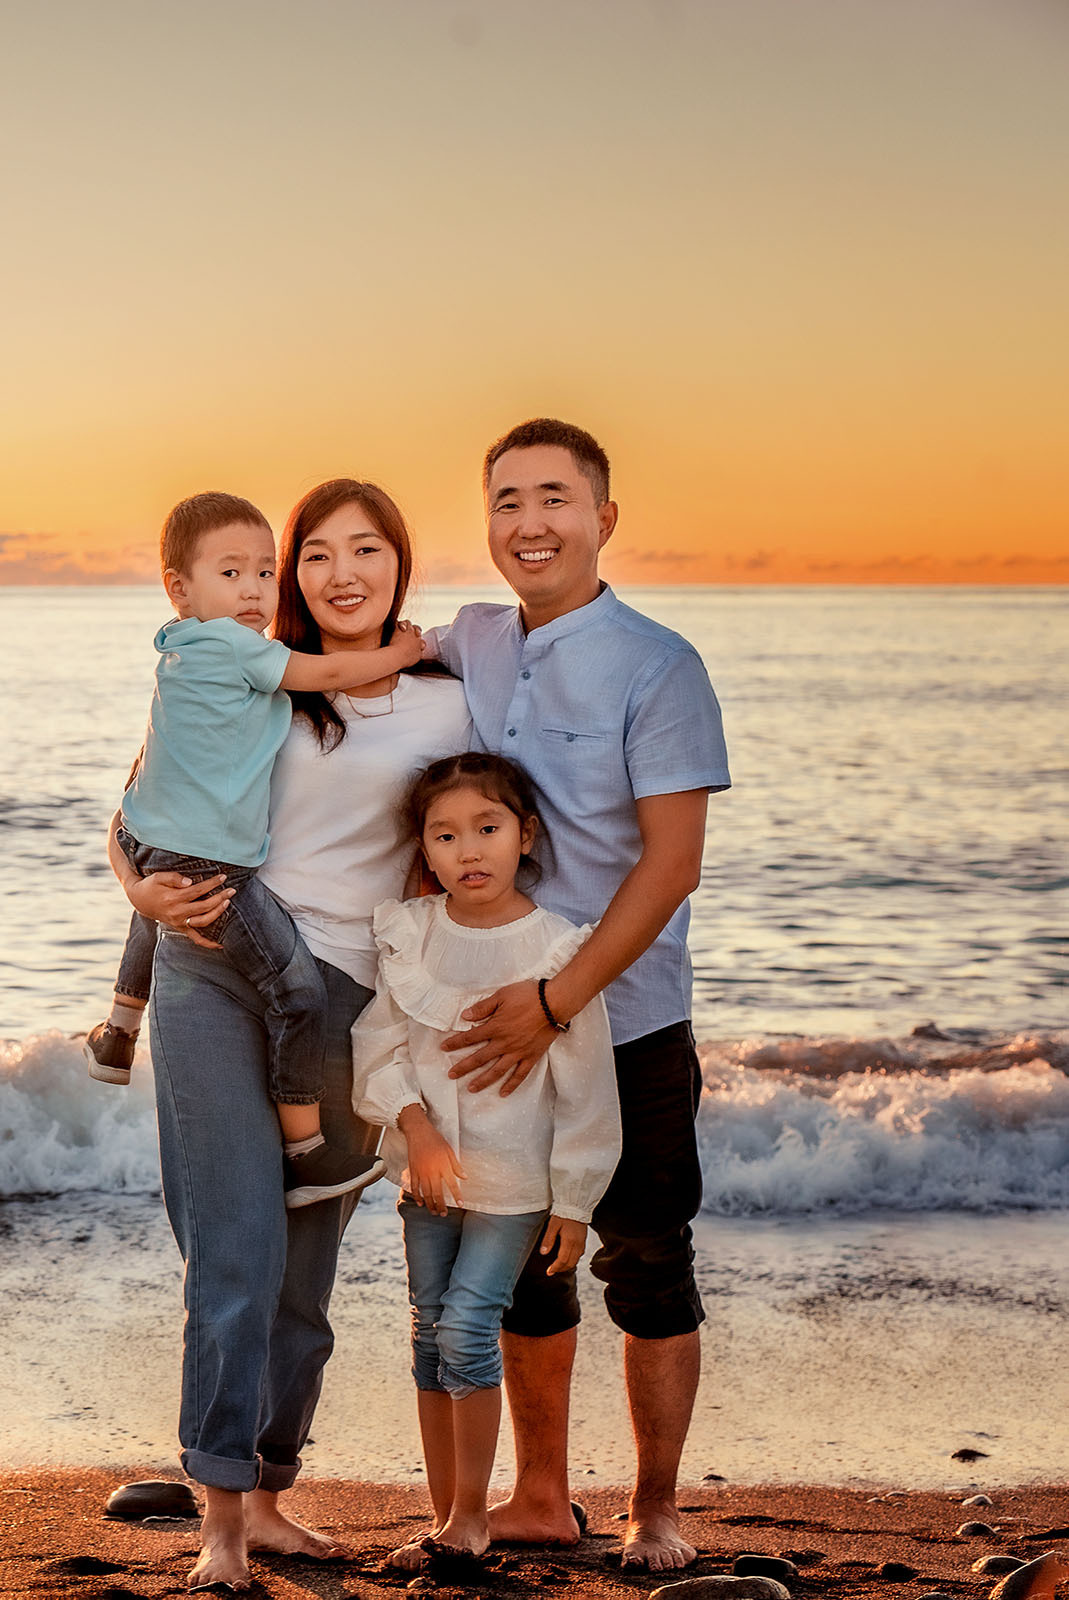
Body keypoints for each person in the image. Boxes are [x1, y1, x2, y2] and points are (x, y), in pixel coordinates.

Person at [109, 480, 470, 1590]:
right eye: (315, 553)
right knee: (234, 1252)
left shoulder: (448, 695)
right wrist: (137, 888)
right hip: (215, 968)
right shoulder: (247, 670)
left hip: (350, 1003)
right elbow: (139, 797)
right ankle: (217, 1520)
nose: (338, 572)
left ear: (400, 566)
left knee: (301, 1281)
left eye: (367, 550)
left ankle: (267, 1494)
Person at [427, 419, 731, 1572]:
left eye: (553, 498)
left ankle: (653, 1505)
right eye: (506, 500)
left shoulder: (659, 663)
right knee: (519, 1255)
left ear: (604, 517)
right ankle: (539, 1494)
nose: (528, 522)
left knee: (644, 1255)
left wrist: (556, 998)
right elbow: (343, 668)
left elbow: (670, 865)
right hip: (494, 1024)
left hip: (625, 1016)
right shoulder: (471, 641)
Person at [87, 491, 428, 1206]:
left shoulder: (179, 652)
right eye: (231, 574)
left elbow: (144, 782)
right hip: (211, 875)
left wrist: (131, 872)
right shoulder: (244, 653)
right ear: (180, 588)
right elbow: (328, 675)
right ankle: (304, 1152)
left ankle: (118, 1029)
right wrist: (404, 649)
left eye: (261, 574)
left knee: (157, 907)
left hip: (153, 835)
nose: (252, 591)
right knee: (295, 992)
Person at [351, 753, 621, 1570]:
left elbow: (585, 1094)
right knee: (427, 1333)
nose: (468, 850)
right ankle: (445, 1521)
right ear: (424, 850)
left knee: (469, 1326)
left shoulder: (555, 952)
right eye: (445, 834)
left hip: (510, 1187)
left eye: (487, 829)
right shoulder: (411, 932)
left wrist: (573, 1204)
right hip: (425, 1177)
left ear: (524, 835)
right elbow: (377, 1044)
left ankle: (471, 1515)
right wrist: (416, 1129)